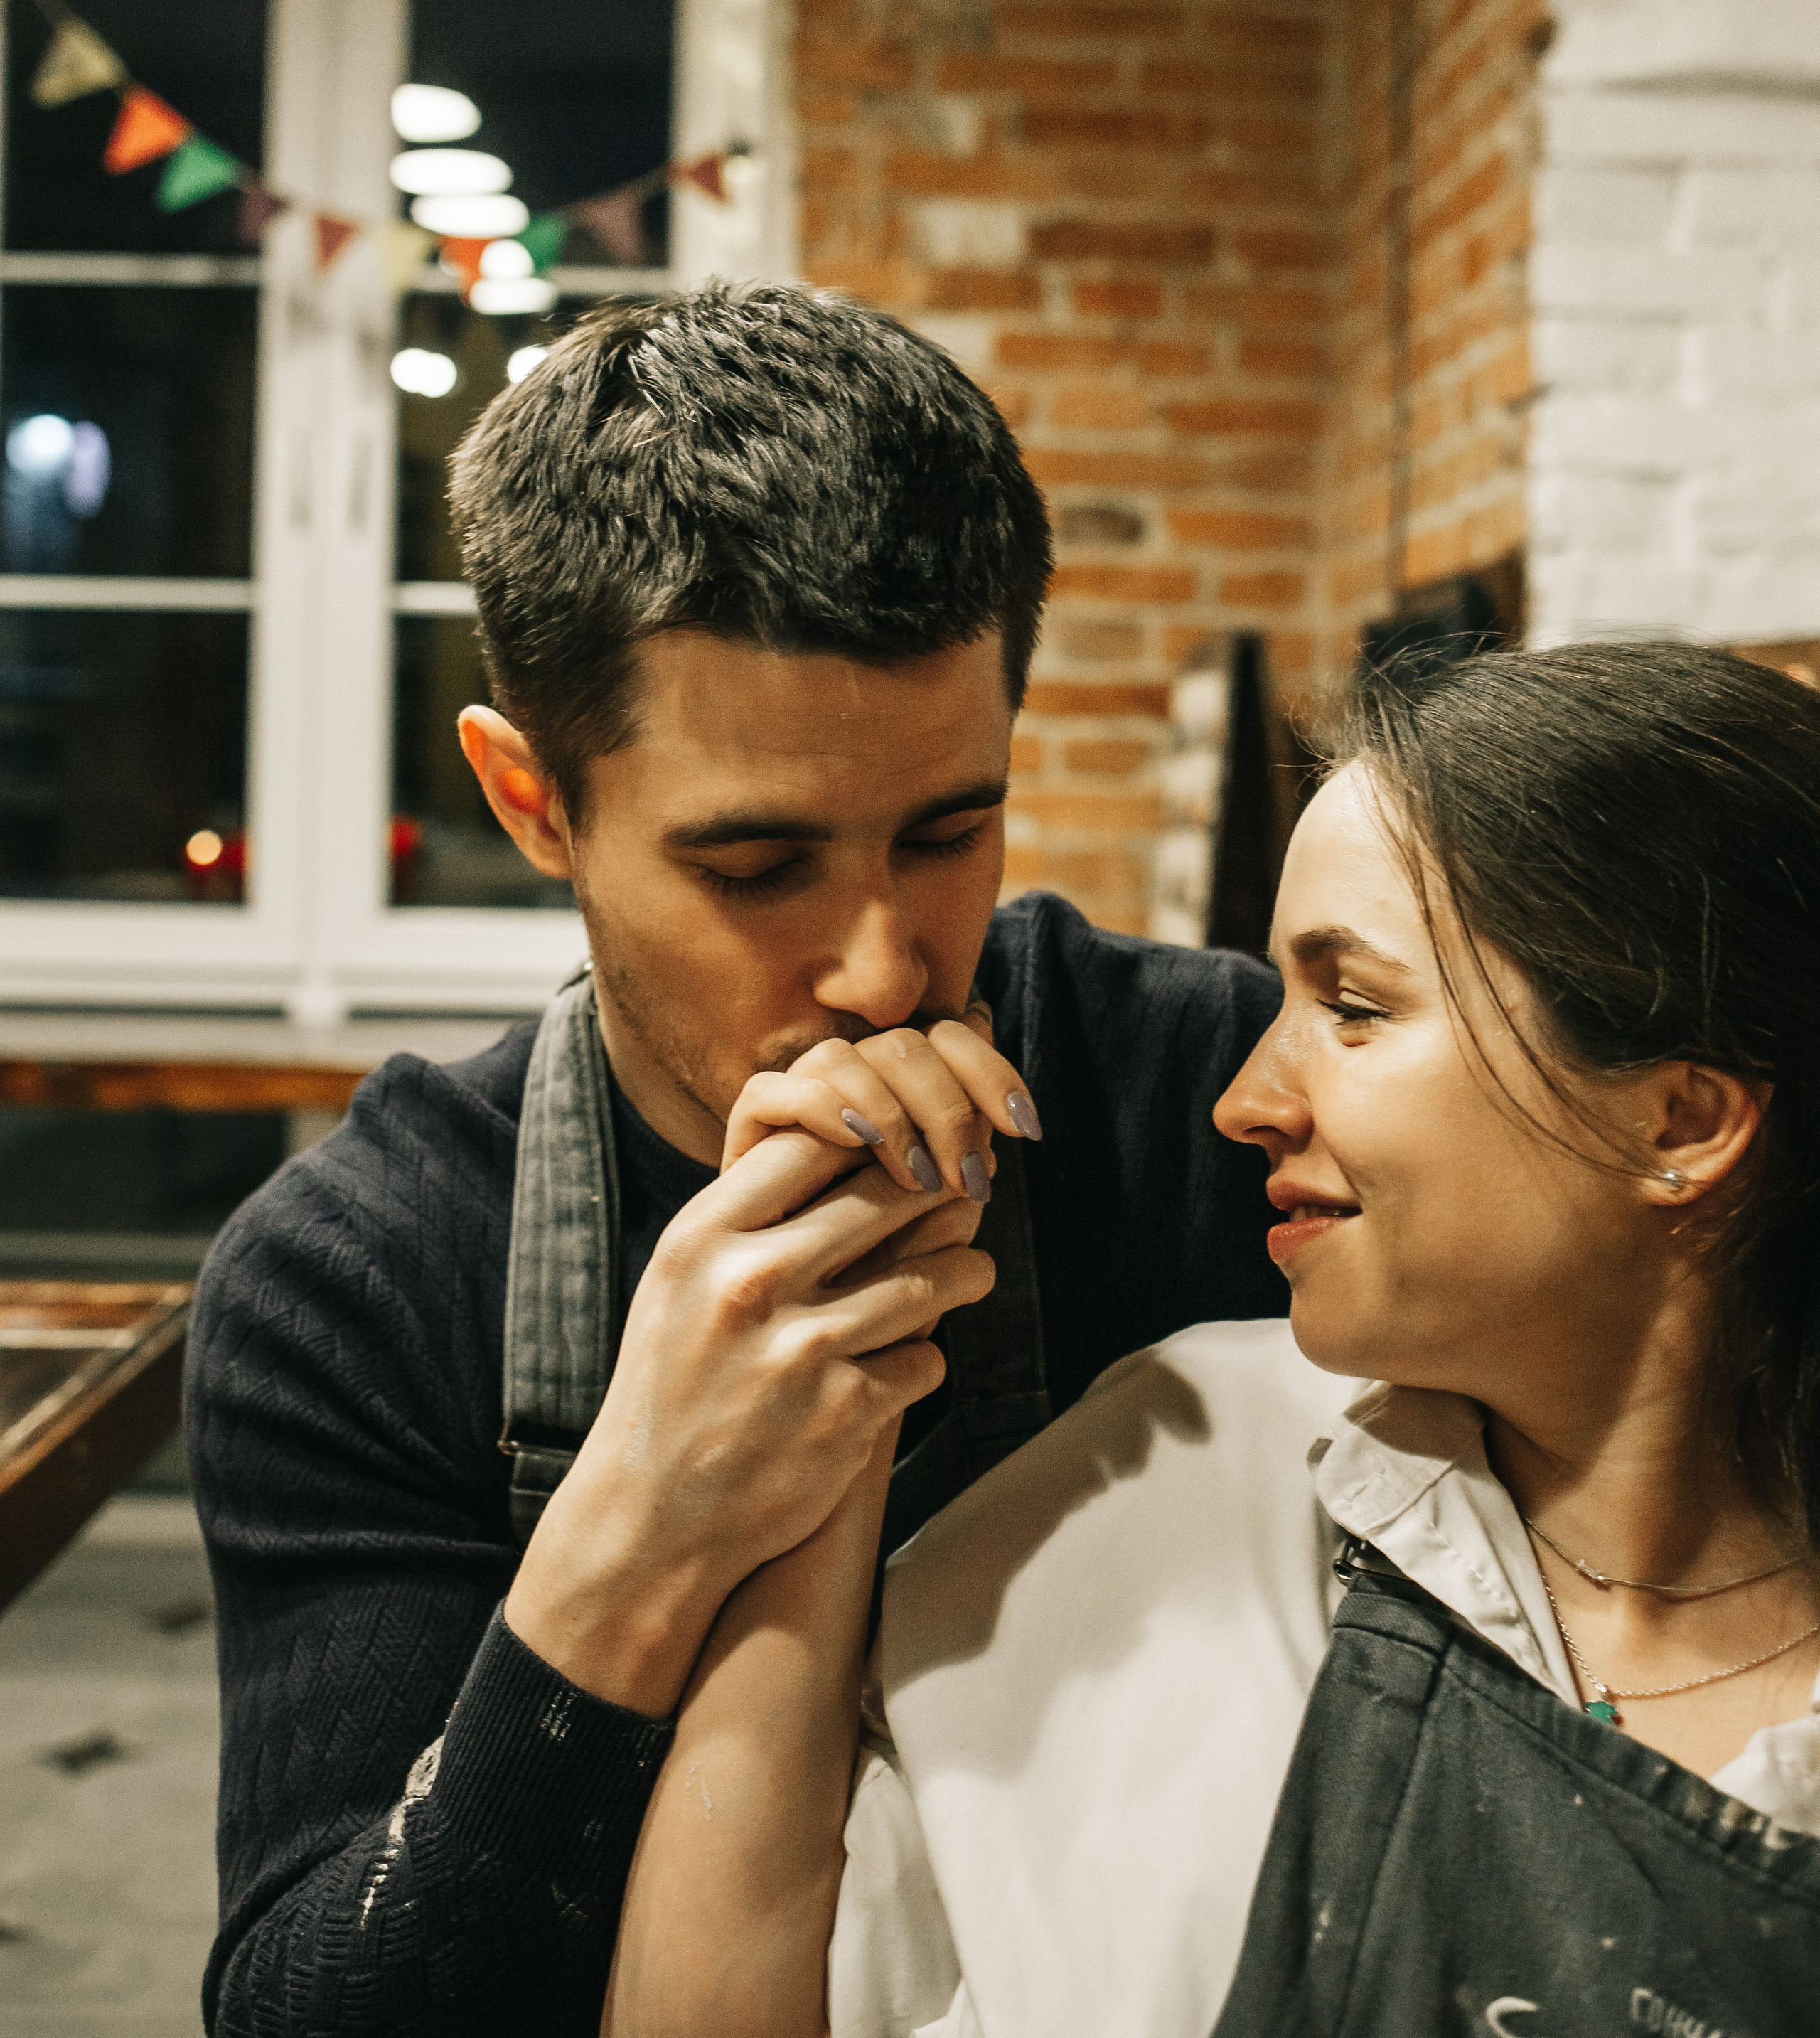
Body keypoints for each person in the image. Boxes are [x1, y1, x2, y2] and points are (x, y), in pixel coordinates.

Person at [184, 281, 1285, 2038]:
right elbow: (313, 2009)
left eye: (948, 828)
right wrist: (642, 1515)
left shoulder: (1213, 1096)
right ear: (534, 798)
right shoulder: (356, 1272)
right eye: (757, 866)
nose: (879, 967)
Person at [603, 639, 1820, 2038]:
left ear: (1677, 1119)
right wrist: (830, 1378)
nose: (1244, 1097)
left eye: (1353, 1010)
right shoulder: (1165, 1489)